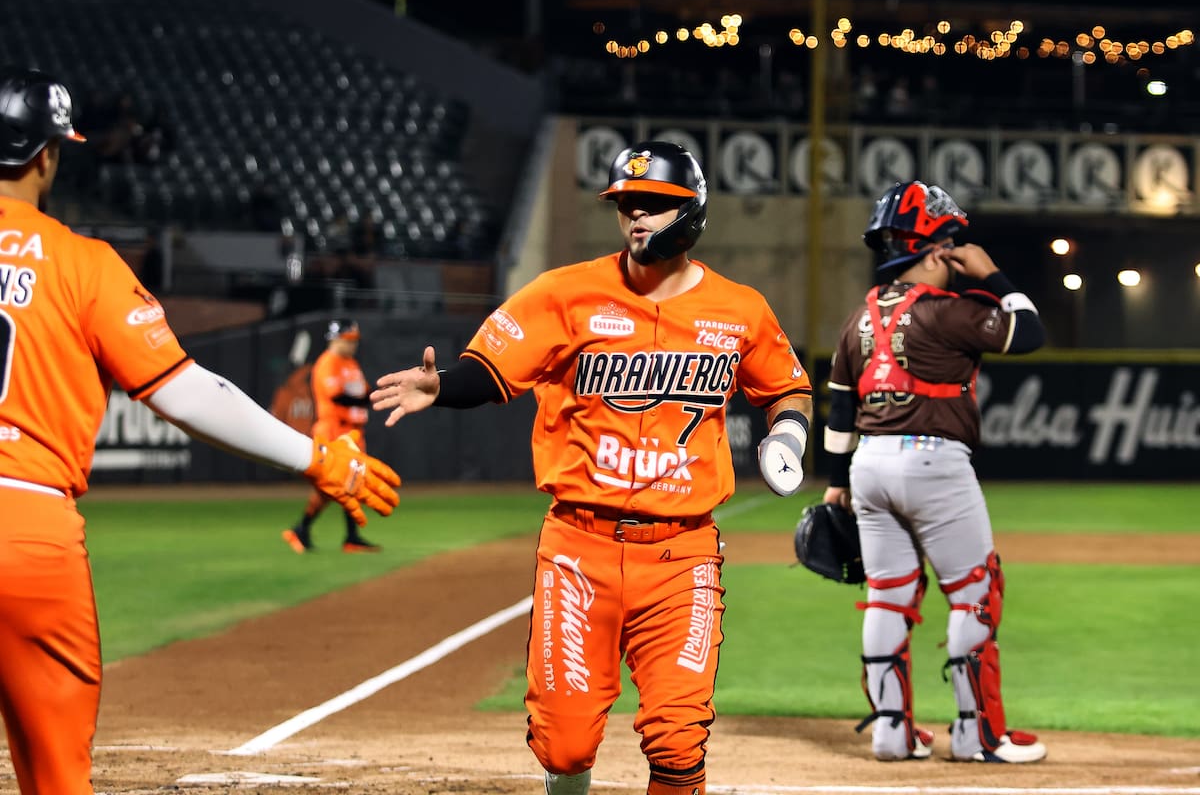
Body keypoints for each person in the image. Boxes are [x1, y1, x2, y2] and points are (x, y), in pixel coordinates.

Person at [0, 65, 401, 795]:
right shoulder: (82, 264)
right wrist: (317, 460)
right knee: (56, 774)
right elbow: (186, 394)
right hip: (27, 528)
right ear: (48, 154)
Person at [371, 140, 814, 795]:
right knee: (565, 744)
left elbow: (787, 385)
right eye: (627, 204)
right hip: (580, 549)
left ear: (692, 212)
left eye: (655, 205)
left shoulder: (738, 309)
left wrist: (789, 436)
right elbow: (492, 372)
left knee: (677, 737)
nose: (637, 216)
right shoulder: (566, 294)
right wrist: (445, 388)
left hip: (682, 555)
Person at [820, 180, 1047, 764]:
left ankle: (891, 733)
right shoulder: (952, 313)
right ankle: (978, 735)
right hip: (934, 463)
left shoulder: (859, 318)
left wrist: (837, 483)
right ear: (938, 248)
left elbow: (840, 410)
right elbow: (1030, 333)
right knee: (976, 594)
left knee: (887, 596)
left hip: (868, 465)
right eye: (951, 243)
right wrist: (992, 274)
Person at [282, 318, 381, 553]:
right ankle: (305, 530)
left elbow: (365, 393)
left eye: (355, 340)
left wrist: (378, 396)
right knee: (336, 484)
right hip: (333, 430)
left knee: (350, 482)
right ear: (335, 339)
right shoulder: (328, 363)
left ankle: (344, 536)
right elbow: (338, 396)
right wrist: (365, 399)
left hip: (353, 431)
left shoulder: (351, 364)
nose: (353, 344)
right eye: (349, 340)